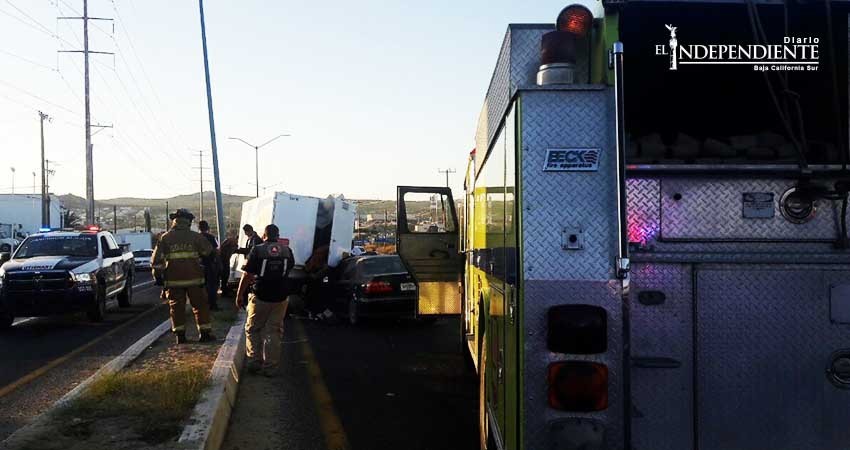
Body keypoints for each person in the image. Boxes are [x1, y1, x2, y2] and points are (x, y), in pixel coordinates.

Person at [236, 224, 295, 376]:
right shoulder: (287, 251)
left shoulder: (258, 250)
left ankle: (255, 362)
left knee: (253, 328)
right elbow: (289, 269)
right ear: (278, 235)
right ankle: (270, 368)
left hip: (261, 295)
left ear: (264, 235)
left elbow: (247, 275)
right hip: (281, 297)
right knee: (273, 332)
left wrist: (239, 294)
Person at [151, 209, 216, 344]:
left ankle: (180, 336)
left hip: (173, 281)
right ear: (189, 221)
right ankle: (204, 334)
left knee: (176, 308)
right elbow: (209, 253)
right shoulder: (196, 237)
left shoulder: (165, 238)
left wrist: (159, 278)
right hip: (195, 279)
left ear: (174, 221)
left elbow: (156, 262)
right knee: (200, 306)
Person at [198, 220, 220, 311]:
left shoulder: (196, 237)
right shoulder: (211, 237)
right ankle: (212, 305)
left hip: (197, 265)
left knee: (199, 286)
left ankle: (200, 305)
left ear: (199, 228)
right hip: (209, 264)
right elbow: (216, 250)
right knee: (211, 285)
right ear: (208, 228)